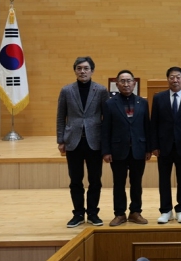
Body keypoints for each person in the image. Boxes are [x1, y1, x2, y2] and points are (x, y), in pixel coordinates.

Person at [56, 56, 110, 228]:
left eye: (86, 68)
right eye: (79, 68)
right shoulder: (66, 90)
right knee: (75, 180)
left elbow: (107, 118)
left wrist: (106, 142)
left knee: (95, 180)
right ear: (75, 71)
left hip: (95, 141)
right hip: (73, 141)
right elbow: (61, 117)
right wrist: (60, 140)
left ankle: (93, 213)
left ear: (92, 71)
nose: (82, 71)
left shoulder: (101, 90)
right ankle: (78, 214)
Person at [101, 70, 152, 227]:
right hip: (118, 150)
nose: (126, 84)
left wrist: (148, 148)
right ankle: (119, 213)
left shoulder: (142, 102)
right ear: (117, 84)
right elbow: (105, 129)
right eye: (122, 81)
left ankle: (135, 212)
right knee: (119, 184)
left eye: (129, 81)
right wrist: (106, 151)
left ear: (134, 83)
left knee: (136, 183)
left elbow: (147, 126)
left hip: (138, 149)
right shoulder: (110, 104)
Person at [150, 66, 181, 224]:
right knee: (164, 180)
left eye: (178, 77)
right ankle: (166, 210)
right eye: (172, 77)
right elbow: (154, 123)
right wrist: (154, 145)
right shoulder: (159, 98)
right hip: (163, 147)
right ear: (168, 79)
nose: (175, 80)